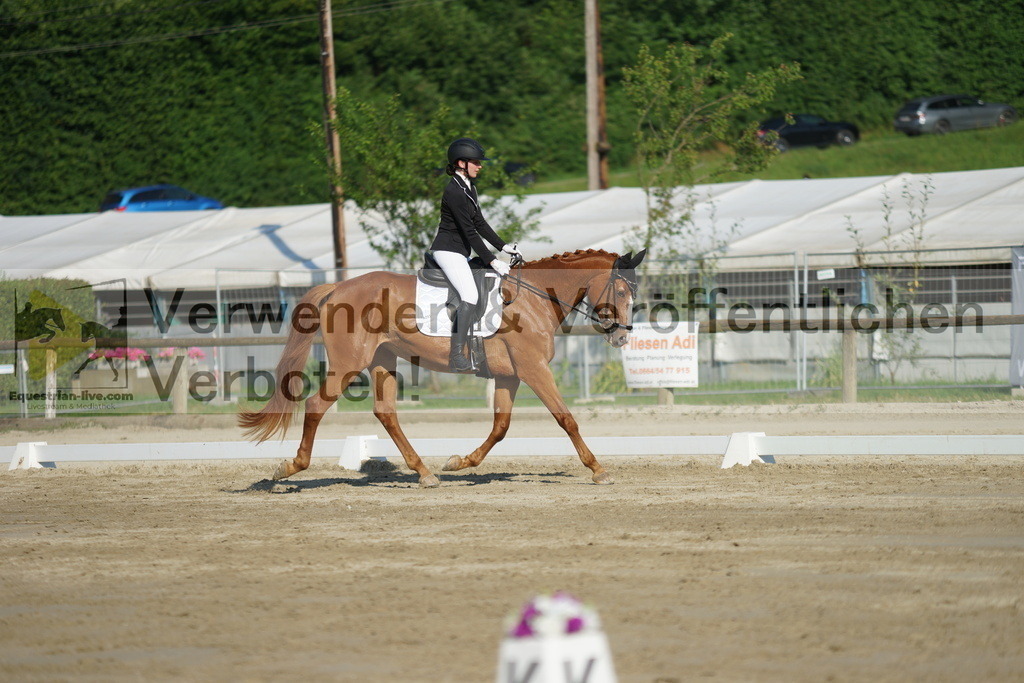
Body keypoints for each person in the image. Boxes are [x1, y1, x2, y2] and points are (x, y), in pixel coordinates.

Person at [430, 137, 522, 372]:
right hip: (448, 251)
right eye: (476, 162)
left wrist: (502, 247)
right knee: (469, 295)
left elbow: (479, 222)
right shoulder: (455, 192)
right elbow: (468, 231)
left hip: (460, 252)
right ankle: (456, 356)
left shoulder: (469, 187)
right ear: (461, 163)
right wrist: (492, 260)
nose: (480, 166)